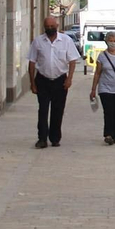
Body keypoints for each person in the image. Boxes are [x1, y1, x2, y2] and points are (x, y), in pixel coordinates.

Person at [27, 16, 80, 149]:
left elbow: (72, 61)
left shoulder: (66, 40)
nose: (50, 29)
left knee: (58, 110)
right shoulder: (38, 42)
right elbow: (32, 62)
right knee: (43, 110)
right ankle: (42, 139)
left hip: (60, 80)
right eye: (47, 27)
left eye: (52, 26)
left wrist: (69, 79)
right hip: (42, 80)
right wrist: (32, 83)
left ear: (57, 26)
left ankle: (55, 137)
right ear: (44, 27)